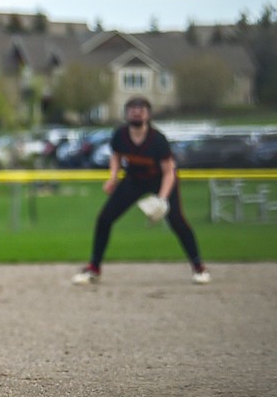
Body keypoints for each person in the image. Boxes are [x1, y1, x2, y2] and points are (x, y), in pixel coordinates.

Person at [72, 96, 211, 285]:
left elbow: (169, 172)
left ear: (148, 114)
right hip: (134, 180)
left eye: (141, 109)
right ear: (126, 113)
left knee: (177, 221)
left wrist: (162, 198)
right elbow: (116, 156)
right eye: (132, 109)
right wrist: (113, 177)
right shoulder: (120, 135)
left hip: (161, 181)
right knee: (104, 219)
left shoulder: (157, 140)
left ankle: (199, 267)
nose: (136, 112)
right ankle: (94, 268)